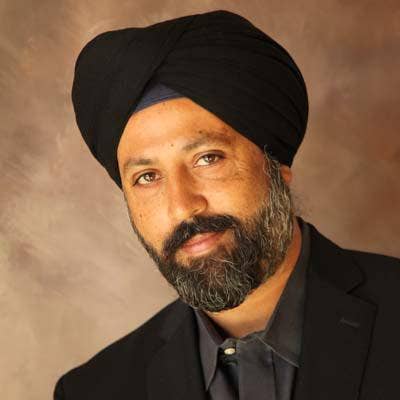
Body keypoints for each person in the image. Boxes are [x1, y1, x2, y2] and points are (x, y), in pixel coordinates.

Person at [54, 9, 400, 400]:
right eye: (147, 177)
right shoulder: (93, 391)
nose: (182, 207)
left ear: (276, 163)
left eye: (208, 158)